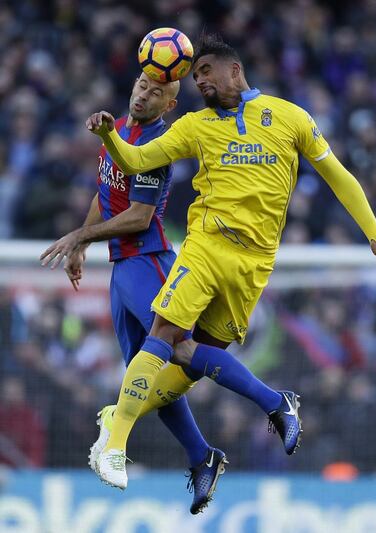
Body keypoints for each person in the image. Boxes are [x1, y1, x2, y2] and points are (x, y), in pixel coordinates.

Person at [62, 33, 376, 489]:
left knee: (188, 365)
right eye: (194, 74)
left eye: (205, 72)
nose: (199, 81)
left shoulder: (291, 117)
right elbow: (135, 159)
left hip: (254, 264)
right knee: (166, 336)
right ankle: (117, 442)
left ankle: (177, 430)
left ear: (234, 71)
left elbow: (339, 177)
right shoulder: (194, 126)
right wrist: (106, 133)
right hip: (204, 248)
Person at [40, 72, 229, 514]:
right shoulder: (120, 130)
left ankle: (274, 402)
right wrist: (85, 242)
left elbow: (140, 218)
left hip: (147, 260)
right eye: (142, 86)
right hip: (121, 268)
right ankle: (203, 456)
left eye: (156, 91)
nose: (144, 93)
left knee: (179, 350)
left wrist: (76, 237)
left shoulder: (154, 148)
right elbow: (105, 192)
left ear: (170, 105)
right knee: (142, 378)